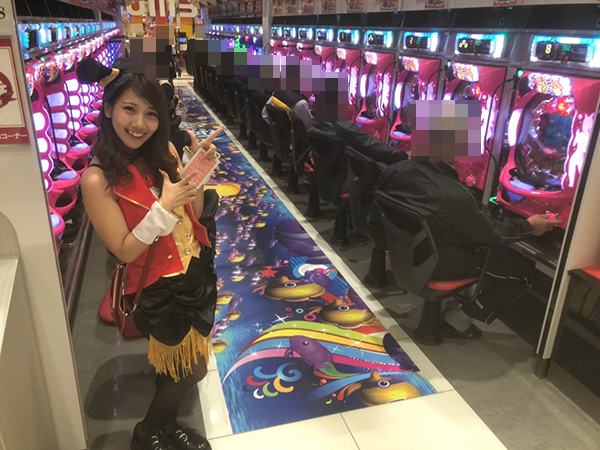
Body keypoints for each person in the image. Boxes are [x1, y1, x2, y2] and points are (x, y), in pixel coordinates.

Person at [77, 57, 218, 450]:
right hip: (156, 286)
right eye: (129, 109)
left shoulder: (165, 150)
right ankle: (146, 432)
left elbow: (189, 208)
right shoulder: (96, 178)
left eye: (151, 113)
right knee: (193, 370)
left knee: (183, 363)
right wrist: (162, 208)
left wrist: (195, 167)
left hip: (194, 270)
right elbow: (122, 249)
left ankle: (168, 429)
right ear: (108, 109)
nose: (140, 123)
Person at [375, 101, 561, 339]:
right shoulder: (453, 193)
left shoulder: (395, 170)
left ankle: (467, 293)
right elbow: (493, 234)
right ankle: (460, 318)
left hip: (404, 252)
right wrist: (530, 226)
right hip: (440, 262)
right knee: (523, 273)